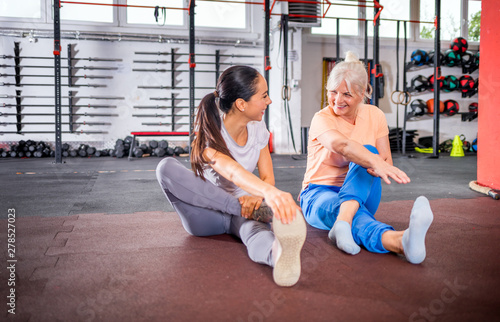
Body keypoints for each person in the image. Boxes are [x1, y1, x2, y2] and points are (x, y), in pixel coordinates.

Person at [156, 65, 307, 286]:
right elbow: (233, 171)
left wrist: (257, 198)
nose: (270, 101)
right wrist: (267, 197)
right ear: (241, 104)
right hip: (206, 214)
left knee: (255, 233)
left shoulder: (257, 127)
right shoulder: (211, 133)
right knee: (165, 167)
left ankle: (276, 254)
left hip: (246, 210)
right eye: (264, 96)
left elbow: (267, 177)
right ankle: (252, 212)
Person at [300, 51, 433, 264]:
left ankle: (343, 223)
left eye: (347, 94)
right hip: (319, 194)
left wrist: (373, 161)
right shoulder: (321, 118)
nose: (337, 100)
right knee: (350, 206)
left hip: (363, 193)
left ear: (362, 93)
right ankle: (400, 240)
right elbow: (341, 145)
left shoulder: (375, 115)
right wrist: (372, 161)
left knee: (368, 151)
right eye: (333, 92)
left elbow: (385, 161)